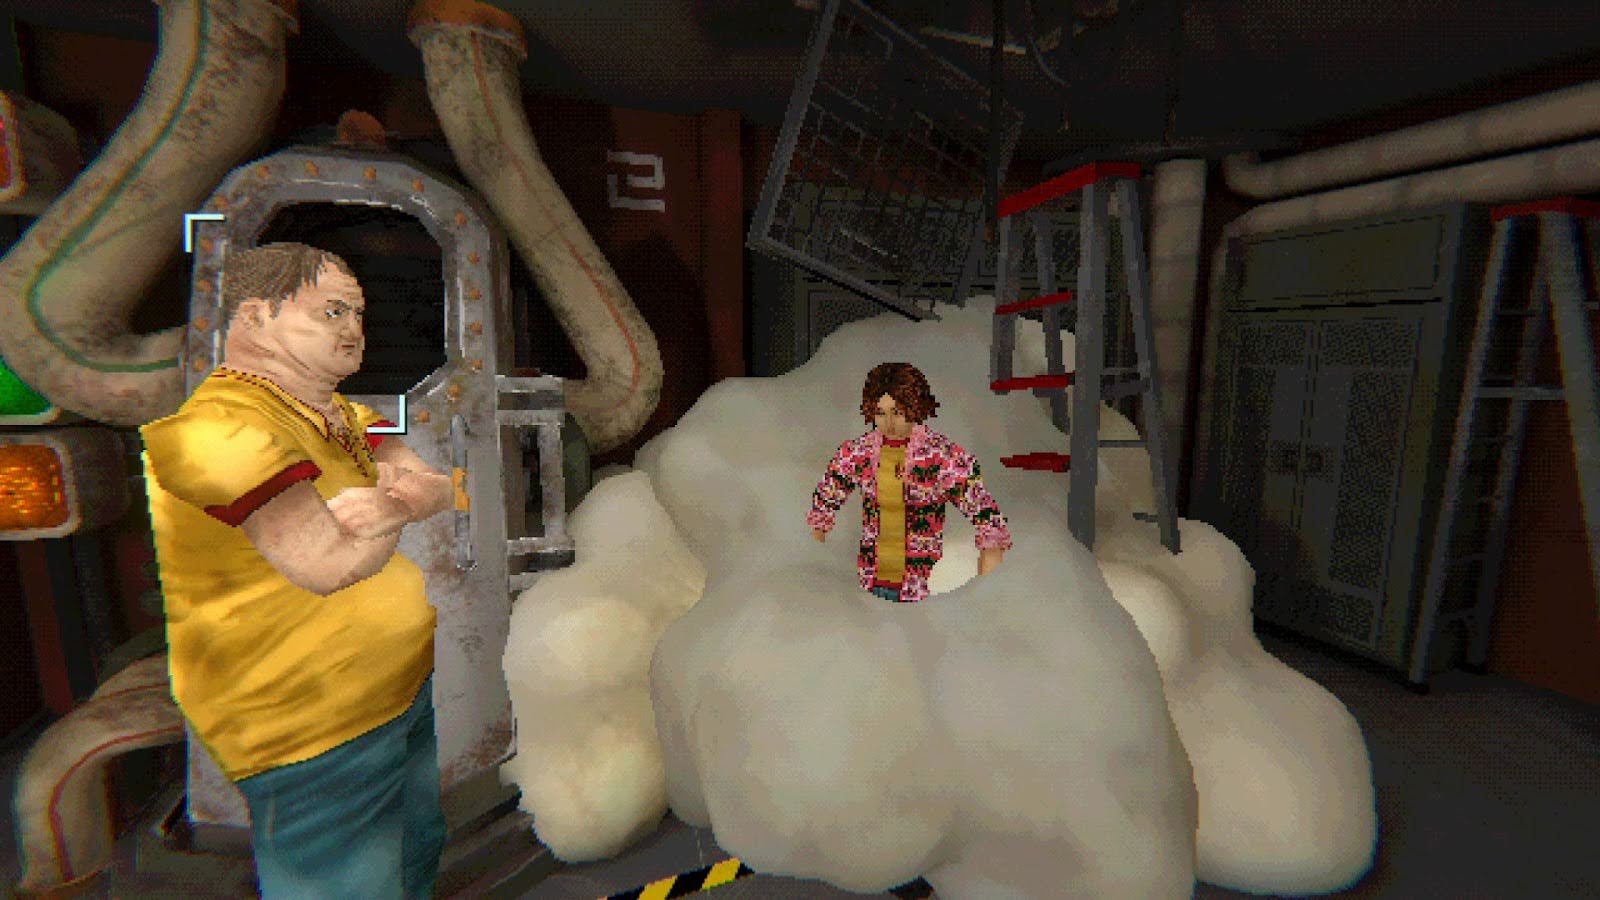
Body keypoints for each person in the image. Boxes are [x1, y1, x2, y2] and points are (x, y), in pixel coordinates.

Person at [140, 242, 456, 899]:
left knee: (415, 852)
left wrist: (394, 504)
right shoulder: (213, 434)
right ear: (255, 317)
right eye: (332, 311)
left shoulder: (344, 415)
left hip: (395, 694)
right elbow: (327, 564)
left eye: (358, 314)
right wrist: (402, 502)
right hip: (311, 728)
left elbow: (438, 484)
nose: (354, 329)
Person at [807, 362, 1012, 603]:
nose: (889, 423)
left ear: (914, 406)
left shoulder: (940, 455)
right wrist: (816, 553)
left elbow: (987, 518)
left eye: (897, 412)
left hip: (922, 589)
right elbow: (825, 499)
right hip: (869, 584)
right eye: (880, 413)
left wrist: (985, 588)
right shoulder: (859, 452)